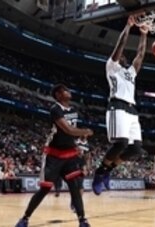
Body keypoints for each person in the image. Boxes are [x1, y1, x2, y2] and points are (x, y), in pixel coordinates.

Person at [15, 83, 93, 227]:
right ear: (58, 95)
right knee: (45, 189)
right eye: (65, 90)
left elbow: (72, 132)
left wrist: (79, 141)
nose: (68, 91)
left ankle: (82, 220)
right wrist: (85, 131)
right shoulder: (55, 109)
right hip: (54, 154)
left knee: (75, 187)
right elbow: (68, 129)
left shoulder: (74, 110)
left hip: (69, 154)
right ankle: (25, 218)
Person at [92, 16, 148, 195]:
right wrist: (128, 26)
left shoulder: (130, 72)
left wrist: (144, 34)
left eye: (124, 56)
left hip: (132, 109)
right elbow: (120, 45)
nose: (123, 56)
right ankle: (99, 173)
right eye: (120, 55)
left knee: (136, 148)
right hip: (117, 106)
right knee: (121, 142)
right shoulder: (111, 66)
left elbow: (140, 55)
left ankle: (108, 171)